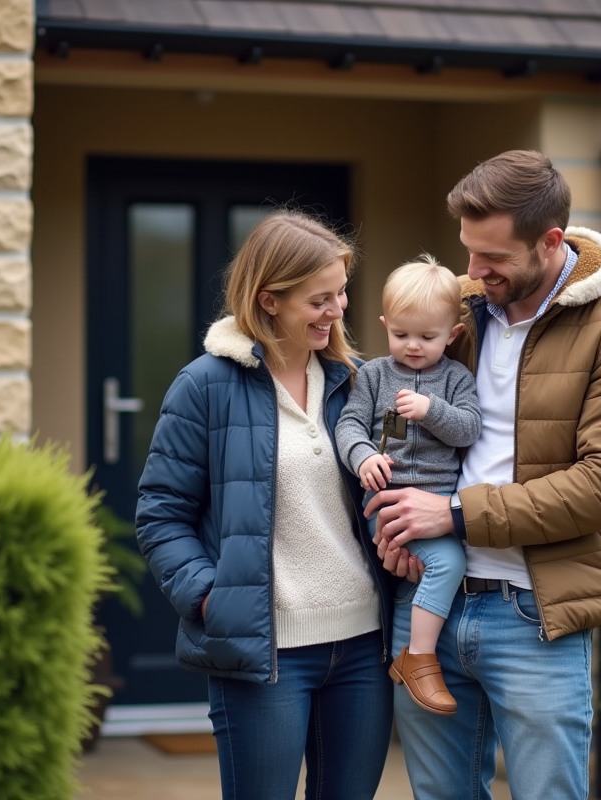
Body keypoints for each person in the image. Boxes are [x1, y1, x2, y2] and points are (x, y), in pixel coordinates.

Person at [366, 150, 601, 800]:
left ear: (551, 241)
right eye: (467, 252)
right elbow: (389, 400)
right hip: (430, 605)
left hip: (535, 613)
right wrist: (390, 515)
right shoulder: (463, 308)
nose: (472, 272)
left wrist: (451, 515)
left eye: (492, 259)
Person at [134, 211, 395, 800]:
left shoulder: (352, 383)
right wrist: (209, 595)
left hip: (361, 646)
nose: (338, 311)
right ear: (269, 299)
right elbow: (160, 510)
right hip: (265, 652)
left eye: (342, 294)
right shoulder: (205, 385)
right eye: (320, 299)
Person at [334, 256, 481, 716]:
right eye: (400, 335)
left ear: (452, 334)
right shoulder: (374, 375)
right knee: (450, 562)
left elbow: (470, 429)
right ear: (385, 326)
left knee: (443, 560)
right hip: (388, 499)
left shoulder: (456, 378)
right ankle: (419, 658)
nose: (412, 347)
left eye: (427, 337)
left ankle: (416, 655)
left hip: (439, 504)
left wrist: (430, 409)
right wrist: (364, 457)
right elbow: (349, 425)